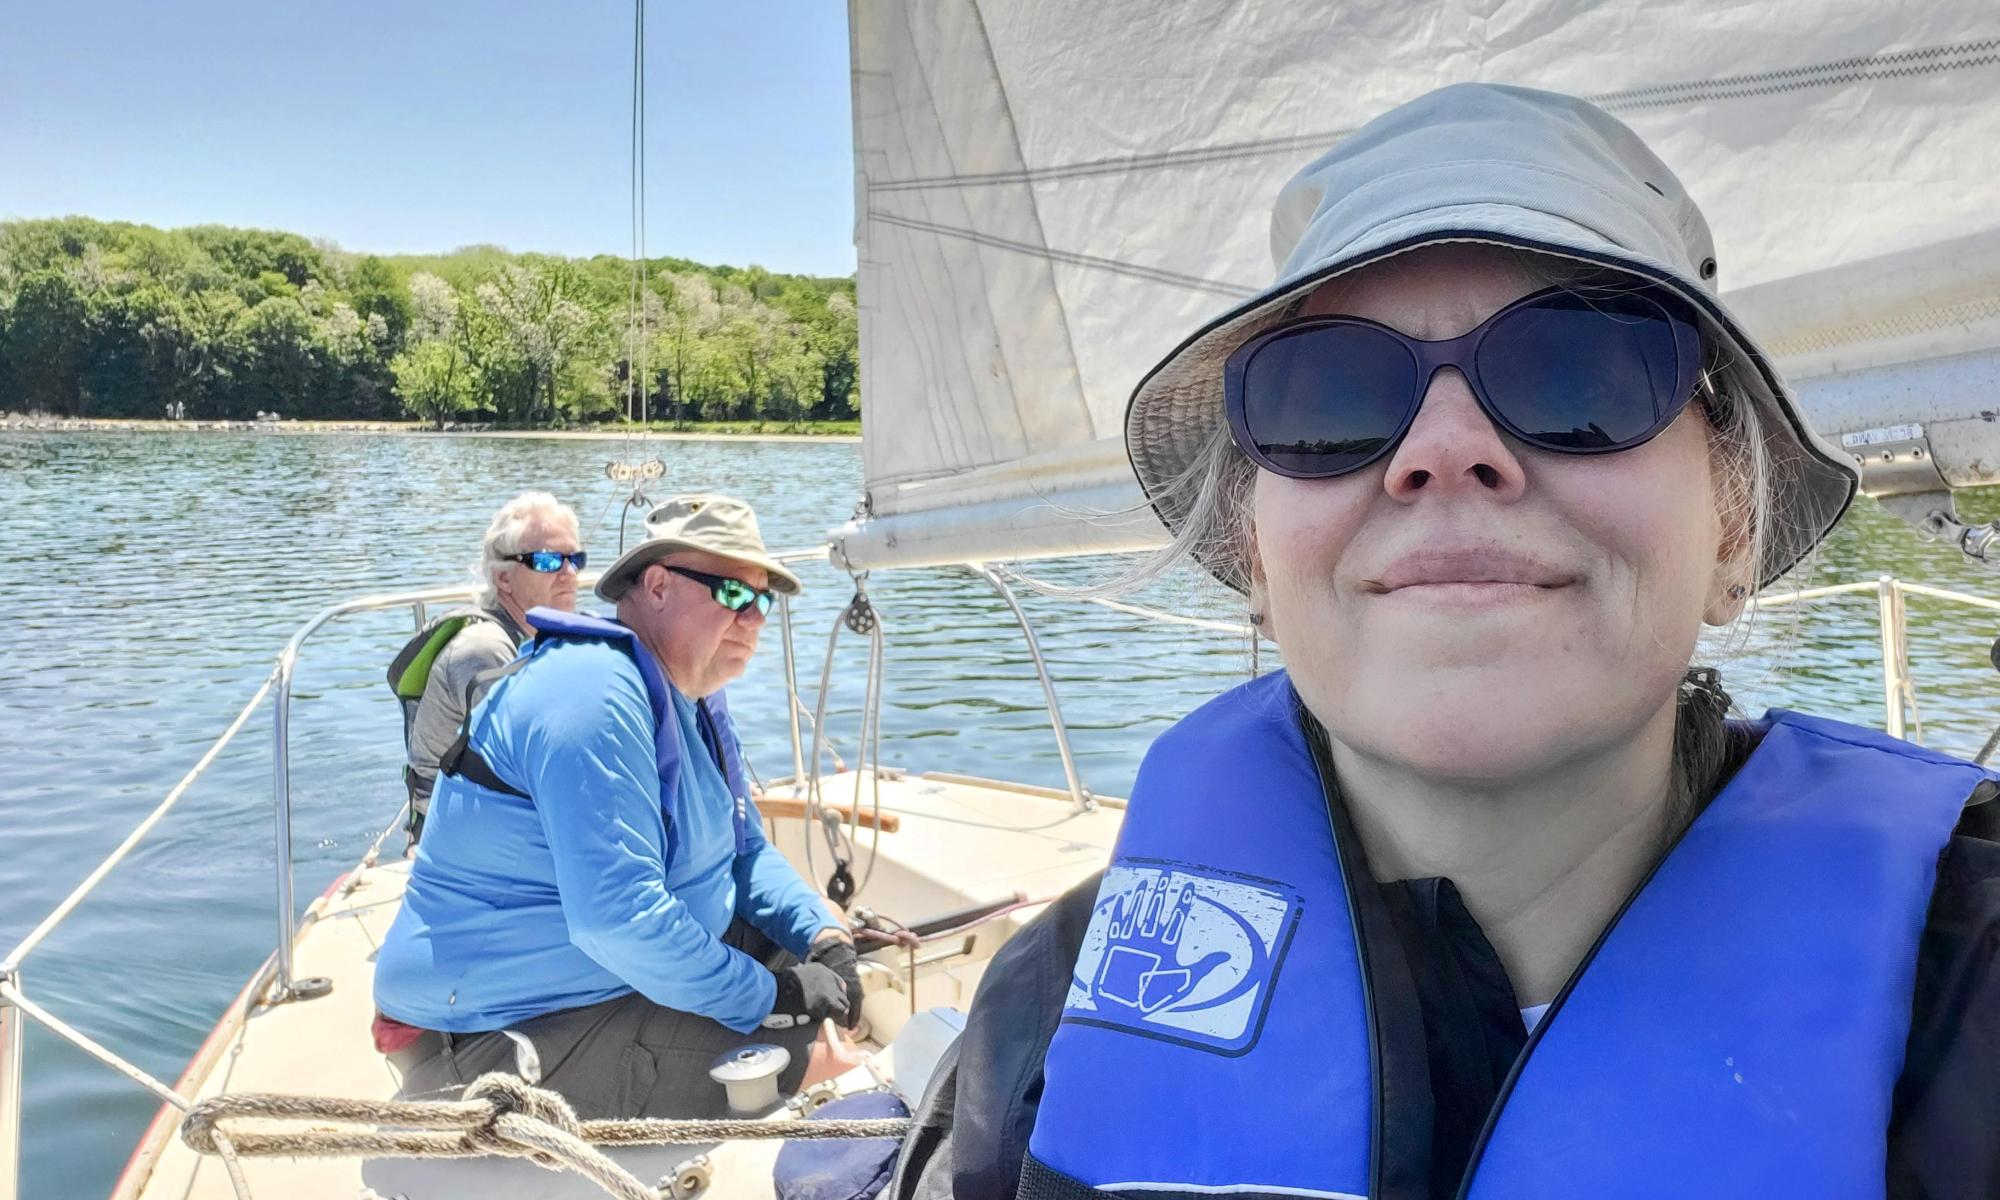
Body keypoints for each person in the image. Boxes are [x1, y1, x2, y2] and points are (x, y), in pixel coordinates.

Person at [888, 84, 2000, 1200]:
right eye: (1326, 394)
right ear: (1257, 562)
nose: (1445, 446)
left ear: (1732, 530)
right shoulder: (1051, 1003)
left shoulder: (1971, 986)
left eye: (1580, 374)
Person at [373, 493, 863, 1118]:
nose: (756, 618)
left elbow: (742, 851)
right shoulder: (591, 695)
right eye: (735, 595)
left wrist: (820, 938)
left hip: (607, 974)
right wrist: (769, 995)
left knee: (825, 965)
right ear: (657, 585)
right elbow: (619, 919)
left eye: (765, 600)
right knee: (817, 1057)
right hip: (484, 1034)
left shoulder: (694, 696)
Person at [389, 491, 583, 844]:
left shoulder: (536, 637)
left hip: (497, 821)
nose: (569, 573)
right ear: (503, 578)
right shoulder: (485, 652)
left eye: (575, 559)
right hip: (457, 839)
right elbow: (532, 767)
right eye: (547, 562)